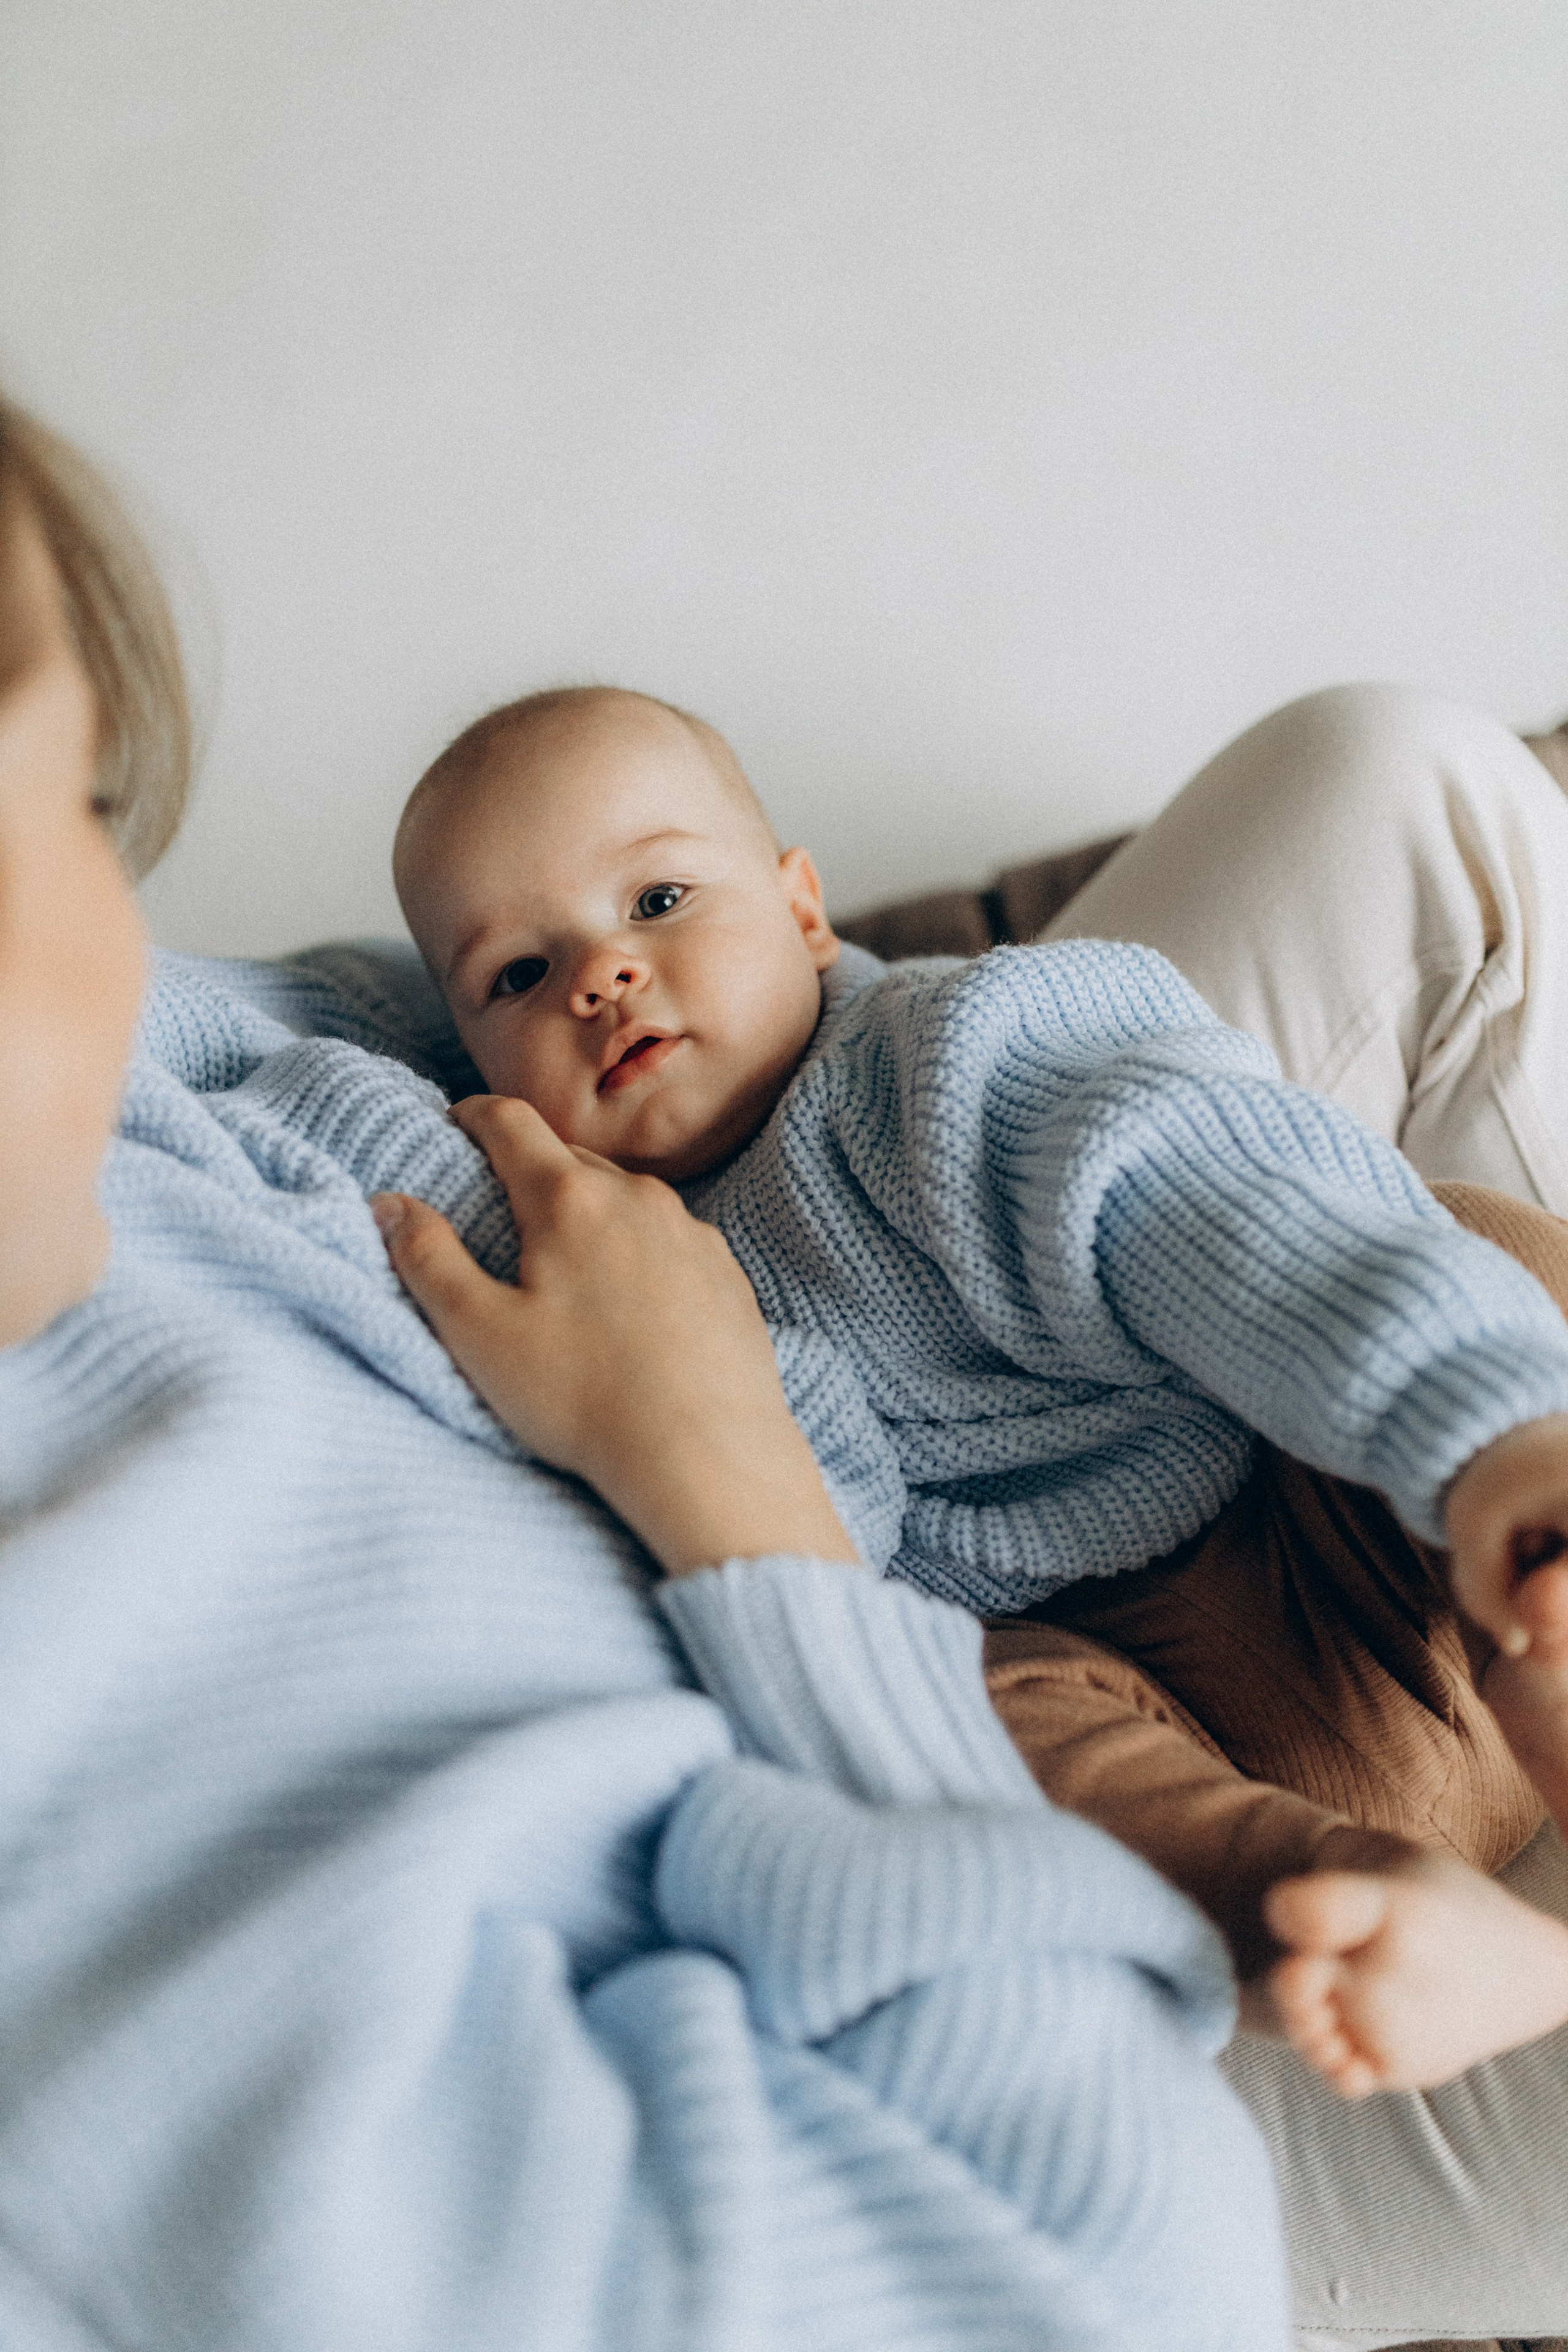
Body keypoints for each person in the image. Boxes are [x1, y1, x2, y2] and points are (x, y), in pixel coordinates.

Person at [0, 396, 1287, 2350]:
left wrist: (845, 1039)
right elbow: (1123, 2282)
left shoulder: (115, 1110)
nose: (124, 931)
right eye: (60, 820)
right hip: (1015, 1843)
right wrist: (724, 1470)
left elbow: (359, 997)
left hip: (883, 1236)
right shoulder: (127, 2000)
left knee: (1380, 783)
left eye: (92, 808)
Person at [390, 682, 1568, 2103]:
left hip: (1343, 1524)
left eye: (655, 899)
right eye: (518, 975)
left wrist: (1485, 1431)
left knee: (1455, 1245)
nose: (600, 977)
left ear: (802, 912)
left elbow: (1211, 1207)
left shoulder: (951, 1059)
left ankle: (1537, 1541)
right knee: (967, 1716)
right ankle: (1340, 1922)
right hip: (1145, 1717)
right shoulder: (625, 1263)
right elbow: (809, 1558)